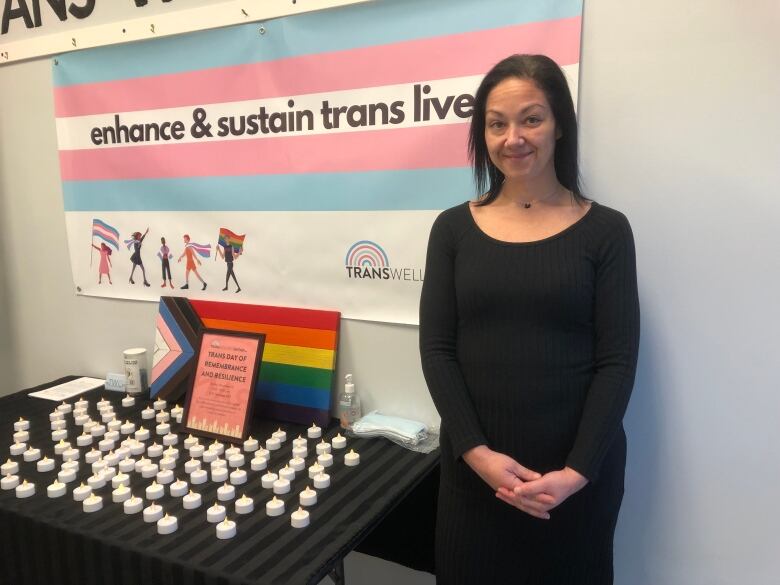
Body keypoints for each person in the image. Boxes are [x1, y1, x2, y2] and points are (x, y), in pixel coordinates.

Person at [419, 54, 640, 584]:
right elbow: (437, 350)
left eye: (531, 119)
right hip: (475, 482)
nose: (513, 137)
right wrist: (477, 454)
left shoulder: (606, 231)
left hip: (574, 483)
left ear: (559, 124)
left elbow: (617, 361)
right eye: (497, 124)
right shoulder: (452, 229)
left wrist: (577, 472)